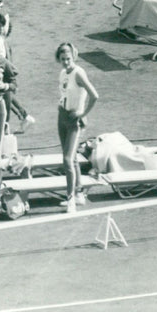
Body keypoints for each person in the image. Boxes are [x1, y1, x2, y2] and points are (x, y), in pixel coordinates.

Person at [56, 42, 99, 214]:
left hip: (74, 120)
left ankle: (70, 199)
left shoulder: (78, 73)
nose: (66, 62)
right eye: (62, 59)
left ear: (73, 56)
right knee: (71, 159)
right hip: (62, 116)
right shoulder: (62, 73)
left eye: (68, 58)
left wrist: (82, 114)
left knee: (67, 160)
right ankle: (79, 192)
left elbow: (94, 95)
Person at [0, 13, 35, 133]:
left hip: (3, 78)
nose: (1, 29)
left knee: (5, 104)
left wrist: (11, 79)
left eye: (2, 26)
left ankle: (12, 124)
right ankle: (24, 117)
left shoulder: (4, 42)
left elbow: (9, 61)